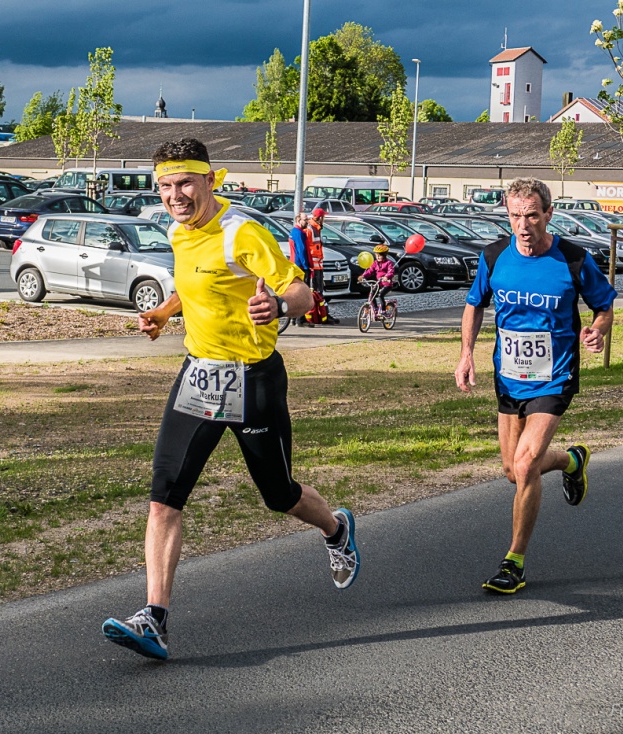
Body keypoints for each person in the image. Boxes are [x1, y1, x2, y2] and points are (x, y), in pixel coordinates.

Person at [102, 138, 361, 660]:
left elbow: (303, 294)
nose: (175, 195)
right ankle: (155, 618)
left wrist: (277, 307)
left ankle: (336, 528)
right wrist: (165, 313)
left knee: (279, 494)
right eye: (166, 186)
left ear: (210, 181)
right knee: (164, 498)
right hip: (199, 375)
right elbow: (196, 285)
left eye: (185, 184)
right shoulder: (177, 230)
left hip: (254, 378)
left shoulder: (242, 231)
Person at [454, 177, 617, 595]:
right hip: (509, 377)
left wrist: (598, 330)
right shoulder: (495, 257)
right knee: (512, 472)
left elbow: (604, 306)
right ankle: (572, 462)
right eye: (514, 216)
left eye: (531, 215)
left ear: (548, 214)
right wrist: (466, 354)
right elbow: (474, 304)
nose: (523, 225)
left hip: (555, 375)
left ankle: (514, 562)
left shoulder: (573, 259)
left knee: (526, 466)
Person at [304, 208, 341, 325]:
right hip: (313, 267)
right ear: (319, 218)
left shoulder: (316, 228)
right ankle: (313, 316)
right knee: (314, 292)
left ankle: (322, 315)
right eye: (323, 217)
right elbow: (307, 248)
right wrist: (309, 265)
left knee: (319, 292)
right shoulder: (310, 229)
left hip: (318, 266)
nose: (324, 219)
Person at [360, 244, 395, 317]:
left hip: (387, 284)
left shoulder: (389, 263)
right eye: (376, 255)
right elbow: (370, 271)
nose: (378, 257)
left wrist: (386, 277)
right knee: (372, 294)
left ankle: (383, 310)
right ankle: (375, 308)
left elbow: (391, 271)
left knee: (380, 295)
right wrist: (363, 276)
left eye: (380, 255)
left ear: (384, 255)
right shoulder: (375, 263)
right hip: (378, 283)